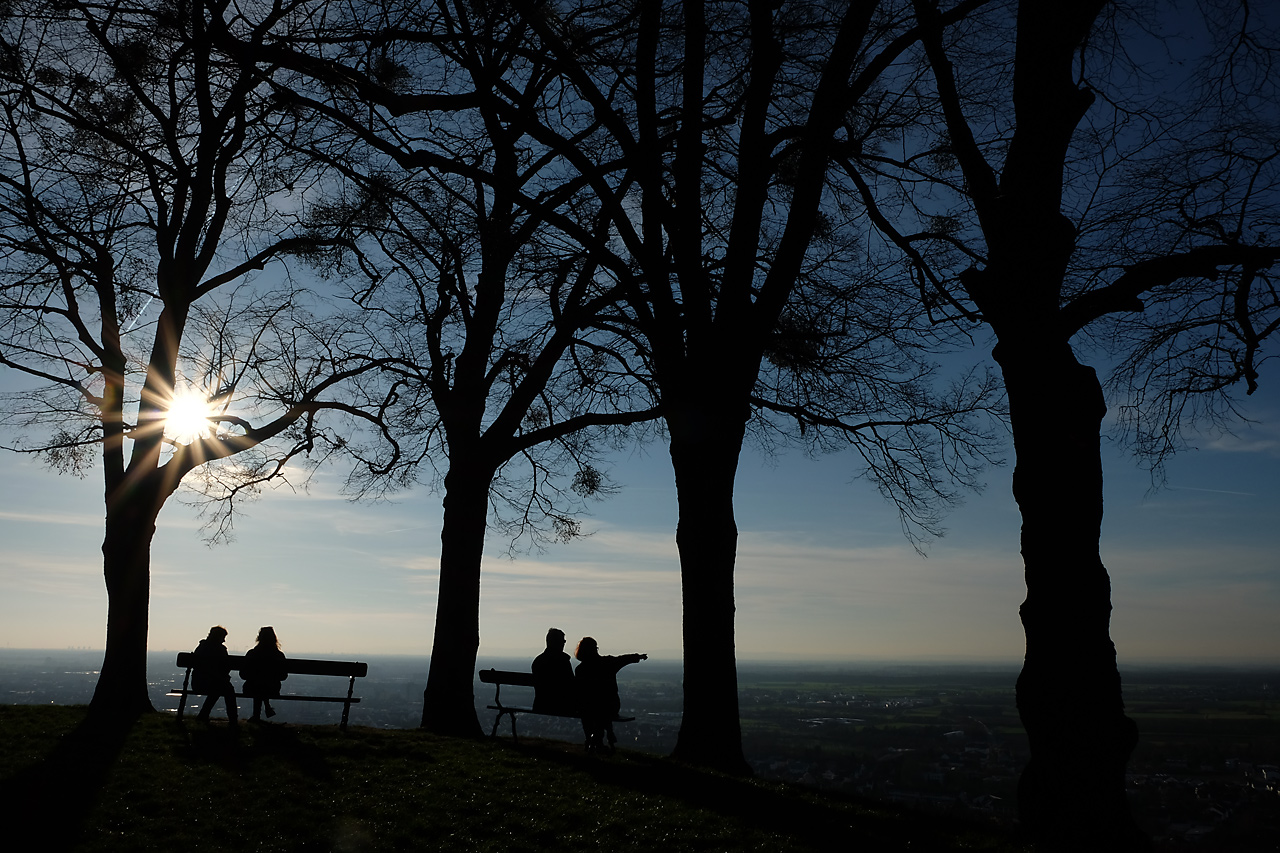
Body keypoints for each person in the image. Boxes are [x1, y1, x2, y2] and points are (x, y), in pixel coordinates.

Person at [574, 636, 646, 754]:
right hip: (609, 706)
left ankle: (592, 739)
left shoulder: (580, 669)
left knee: (591, 709)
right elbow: (623, 659)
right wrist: (638, 656)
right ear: (596, 649)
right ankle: (599, 739)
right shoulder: (608, 663)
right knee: (602, 707)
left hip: (587, 707)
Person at [240, 626, 288, 722]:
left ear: (259, 638)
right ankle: (266, 707)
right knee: (263, 686)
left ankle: (256, 715)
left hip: (251, 688)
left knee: (258, 685)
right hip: (272, 689)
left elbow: (243, 674)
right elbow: (283, 676)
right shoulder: (279, 655)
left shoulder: (252, 653)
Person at [192, 625, 237, 726]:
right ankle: (233, 719)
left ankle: (203, 714)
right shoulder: (220, 650)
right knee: (226, 689)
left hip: (198, 683)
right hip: (212, 683)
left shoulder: (201, 647)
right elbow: (225, 668)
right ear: (218, 637)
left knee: (218, 688)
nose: (224, 640)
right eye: (223, 637)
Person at [531, 627, 576, 715]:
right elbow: (570, 684)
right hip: (561, 707)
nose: (564, 643)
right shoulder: (562, 661)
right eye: (563, 641)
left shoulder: (538, 661)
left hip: (541, 705)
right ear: (557, 642)